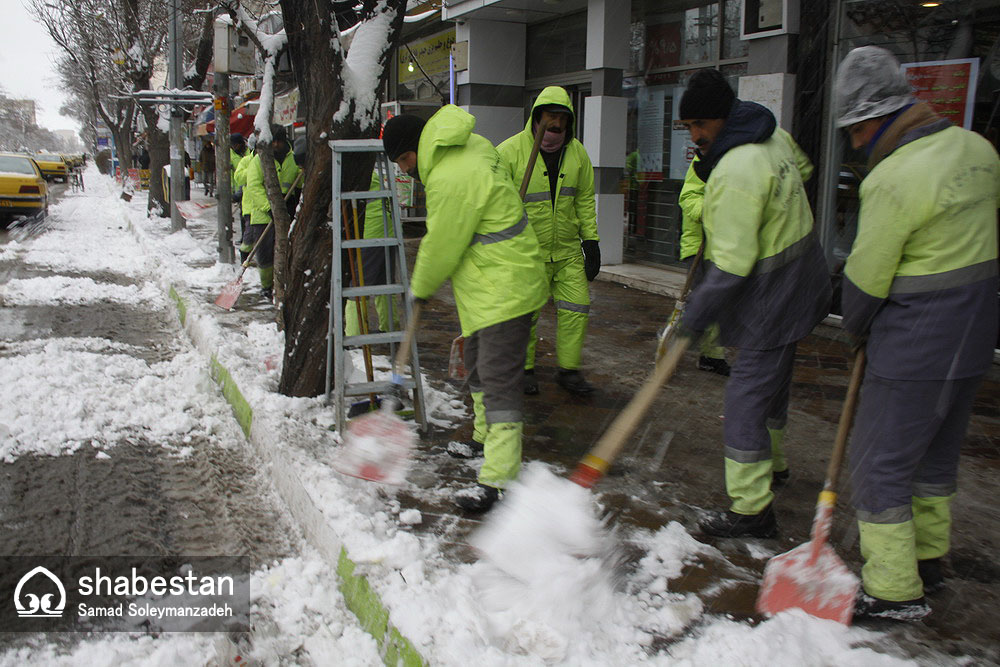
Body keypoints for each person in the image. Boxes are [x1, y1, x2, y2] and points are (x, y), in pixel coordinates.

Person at [834, 46, 1000, 621]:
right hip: (976, 338)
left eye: (854, 131)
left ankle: (893, 589)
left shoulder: (895, 177)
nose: (854, 145)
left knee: (880, 463)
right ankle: (928, 559)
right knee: (933, 462)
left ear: (871, 119)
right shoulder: (979, 151)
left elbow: (864, 282)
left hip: (915, 344)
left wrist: (854, 328)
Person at [674, 69, 831, 538]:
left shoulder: (735, 174)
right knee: (773, 384)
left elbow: (731, 268)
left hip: (773, 297)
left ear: (723, 118)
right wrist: (780, 210)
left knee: (744, 401)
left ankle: (751, 509)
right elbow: (804, 171)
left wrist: (693, 321)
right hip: (805, 279)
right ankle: (775, 465)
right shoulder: (774, 134)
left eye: (701, 125)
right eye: (689, 127)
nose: (696, 136)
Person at [382, 107, 548, 512]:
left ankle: (499, 478)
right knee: (475, 363)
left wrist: (419, 290)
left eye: (405, 160)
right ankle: (481, 437)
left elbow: (441, 244)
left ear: (416, 148)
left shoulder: (449, 177)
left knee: (497, 382)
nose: (408, 170)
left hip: (505, 286)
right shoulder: (468, 147)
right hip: (488, 284)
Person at [497, 86, 600, 396]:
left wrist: (591, 241)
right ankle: (524, 368)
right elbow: (498, 204)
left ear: (567, 125)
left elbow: (584, 199)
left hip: (567, 251)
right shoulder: (510, 152)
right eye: (549, 122)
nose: (554, 130)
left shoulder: (577, 153)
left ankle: (568, 370)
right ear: (536, 118)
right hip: (528, 252)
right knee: (526, 314)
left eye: (560, 125)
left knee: (576, 308)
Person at [677, 159, 730, 377]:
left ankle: (712, 356)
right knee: (699, 301)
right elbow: (688, 197)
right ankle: (673, 348)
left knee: (718, 302)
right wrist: (712, 212)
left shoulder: (738, 158)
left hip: (724, 247)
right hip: (699, 245)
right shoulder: (705, 159)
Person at [239, 126, 301, 301]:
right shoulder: (259, 161)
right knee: (265, 255)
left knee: (288, 250)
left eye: (277, 142)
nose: (274, 145)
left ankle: (284, 284)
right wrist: (269, 208)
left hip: (288, 211)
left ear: (283, 141)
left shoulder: (292, 158)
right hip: (263, 214)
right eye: (272, 141)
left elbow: (299, 182)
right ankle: (266, 286)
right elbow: (253, 187)